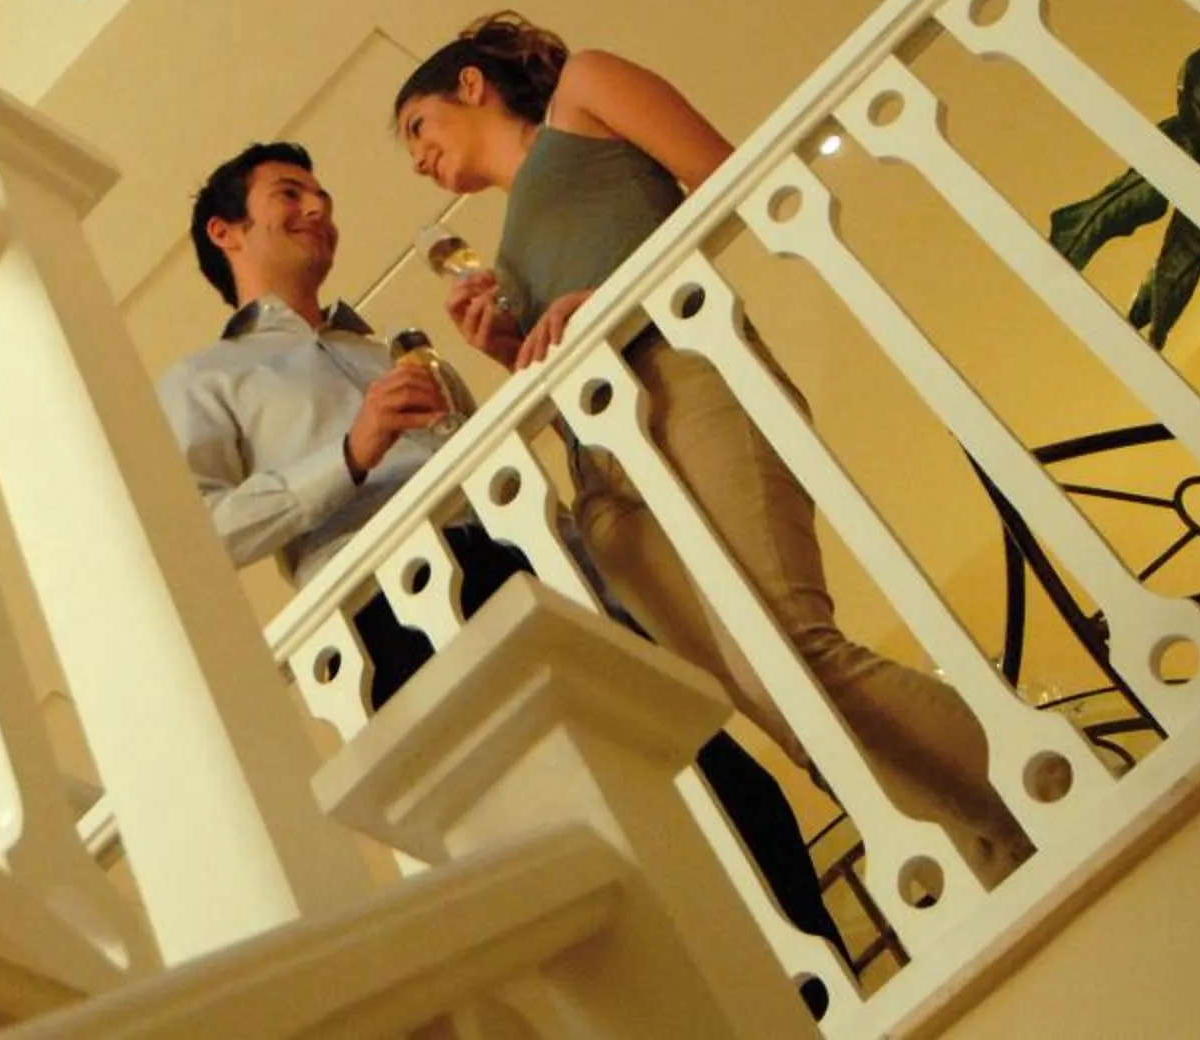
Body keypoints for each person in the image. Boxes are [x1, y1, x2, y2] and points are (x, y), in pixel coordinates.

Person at [395, 14, 1035, 884]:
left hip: (684, 373)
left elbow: (729, 177)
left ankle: (1039, 787)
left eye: (416, 128)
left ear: (469, 84)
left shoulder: (585, 88)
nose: (415, 158)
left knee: (792, 651)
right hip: (601, 468)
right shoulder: (502, 254)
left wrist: (607, 294)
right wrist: (504, 352)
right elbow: (560, 369)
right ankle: (987, 855)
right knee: (766, 702)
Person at [160, 140, 838, 942]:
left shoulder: (386, 350)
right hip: (396, 618)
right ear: (224, 232)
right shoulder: (203, 381)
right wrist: (350, 452)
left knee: (729, 792)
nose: (319, 210)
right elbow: (198, 536)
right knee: (577, 855)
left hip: (527, 567)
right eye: (289, 193)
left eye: (323, 195)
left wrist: (605, 588)